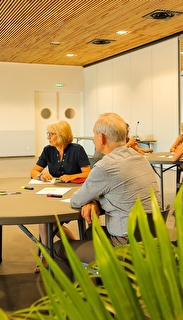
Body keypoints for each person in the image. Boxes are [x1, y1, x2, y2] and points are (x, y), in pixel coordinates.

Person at [52, 113, 162, 281]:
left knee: (57, 248)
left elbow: (76, 200)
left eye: (94, 135)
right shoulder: (140, 159)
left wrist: (92, 200)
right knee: (90, 233)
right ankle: (101, 283)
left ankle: (74, 299)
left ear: (101, 138)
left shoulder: (105, 166)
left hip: (124, 246)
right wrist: (95, 201)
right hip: (150, 239)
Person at [30, 120, 91, 273]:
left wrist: (72, 176)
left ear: (62, 134)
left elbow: (88, 172)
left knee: (47, 223)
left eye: (51, 134)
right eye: (48, 134)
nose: (48, 137)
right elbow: (34, 171)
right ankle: (72, 249)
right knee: (47, 220)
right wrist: (40, 177)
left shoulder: (77, 150)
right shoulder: (48, 150)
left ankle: (47, 256)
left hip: (74, 195)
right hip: (54, 194)